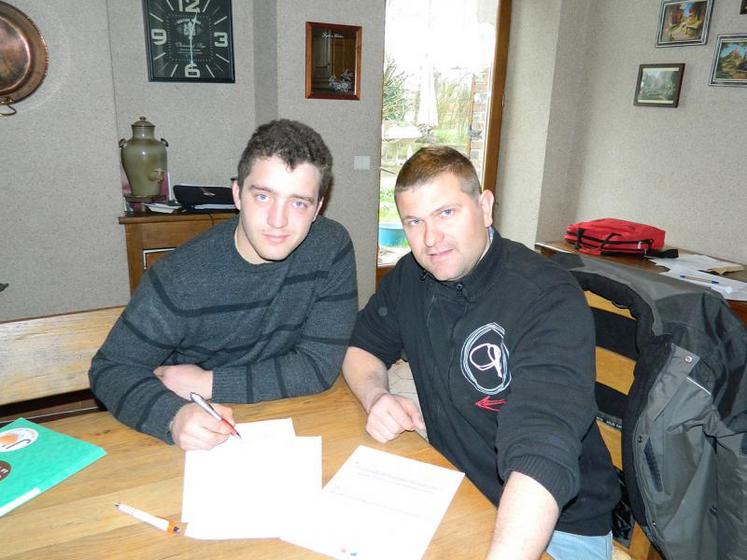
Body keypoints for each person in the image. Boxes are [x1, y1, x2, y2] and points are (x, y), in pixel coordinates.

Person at [343, 146, 619, 560]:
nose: (430, 239)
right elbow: (363, 347)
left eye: (446, 213)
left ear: (485, 206)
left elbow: (541, 447)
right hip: (458, 489)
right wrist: (376, 396)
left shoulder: (547, 297)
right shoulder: (411, 277)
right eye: (414, 221)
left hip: (552, 526)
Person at [90, 119, 357, 451]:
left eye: (298, 203)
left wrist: (208, 381)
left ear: (318, 209)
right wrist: (172, 418)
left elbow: (318, 365)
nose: (278, 220)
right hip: (196, 428)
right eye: (263, 196)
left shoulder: (330, 248)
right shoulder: (182, 277)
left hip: (288, 414)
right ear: (237, 195)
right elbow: (111, 368)